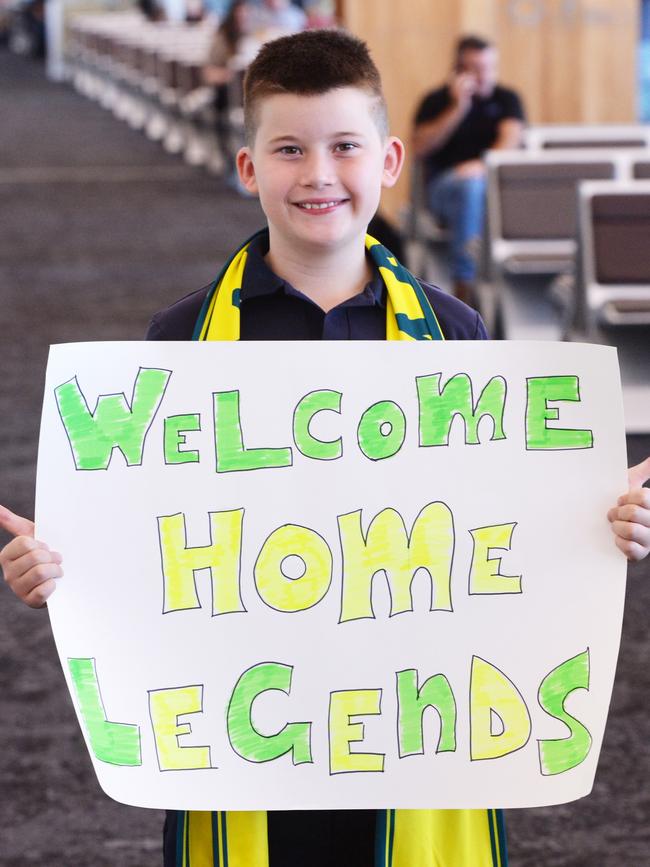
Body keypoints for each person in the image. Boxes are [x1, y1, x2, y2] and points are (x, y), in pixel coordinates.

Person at [1, 28, 649, 867]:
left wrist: (604, 525)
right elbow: (151, 539)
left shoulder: (457, 337)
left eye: (344, 146)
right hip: (250, 730)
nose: (317, 174)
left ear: (386, 161)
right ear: (248, 168)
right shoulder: (179, 344)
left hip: (418, 723)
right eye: (288, 149)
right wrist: (62, 571)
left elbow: (501, 531)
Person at [412, 35, 525, 305]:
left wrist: (481, 166)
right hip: (445, 188)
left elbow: (511, 139)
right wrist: (458, 107)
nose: (485, 76)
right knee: (470, 188)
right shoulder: (436, 101)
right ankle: (465, 283)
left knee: (480, 186)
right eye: (476, 69)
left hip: (490, 186)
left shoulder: (507, 98)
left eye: (490, 68)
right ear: (459, 70)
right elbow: (419, 147)